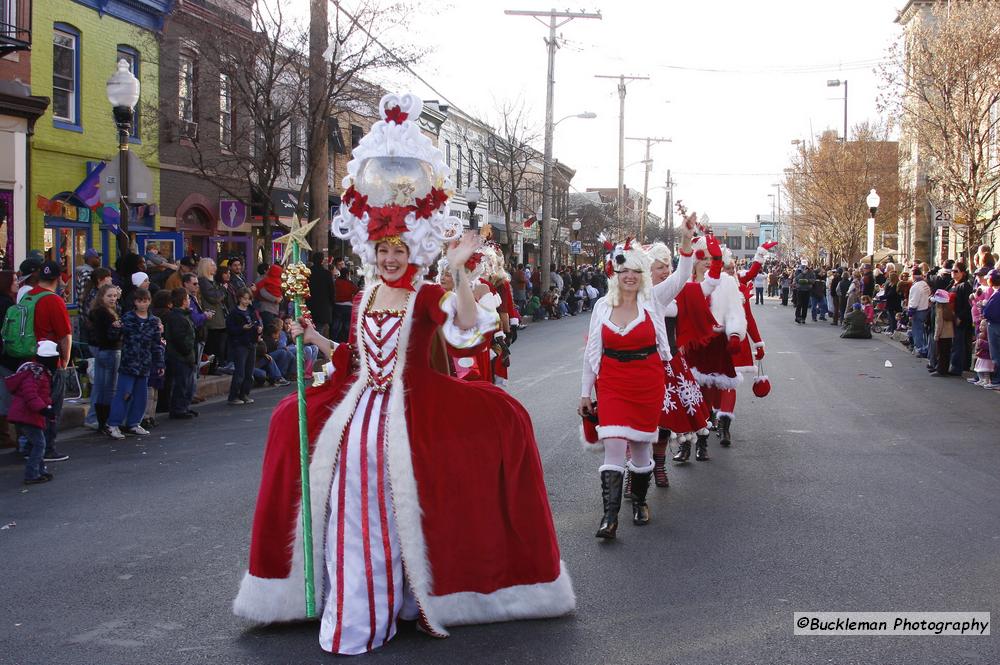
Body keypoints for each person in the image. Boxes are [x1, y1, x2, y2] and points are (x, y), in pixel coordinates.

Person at [234, 98, 572, 653]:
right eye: (383, 250)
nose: (390, 259)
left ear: (410, 249)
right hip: (361, 403)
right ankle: (334, 593)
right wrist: (312, 338)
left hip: (410, 407)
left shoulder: (427, 292)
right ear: (373, 250)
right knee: (291, 426)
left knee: (477, 437)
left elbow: (466, 328)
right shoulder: (367, 292)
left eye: (398, 249)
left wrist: (460, 270)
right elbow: (353, 354)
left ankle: (406, 594)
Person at [580, 228, 694, 538]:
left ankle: (640, 502)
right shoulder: (602, 306)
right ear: (614, 274)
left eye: (635, 271)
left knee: (642, 449)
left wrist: (685, 243)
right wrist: (585, 392)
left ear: (642, 274)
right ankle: (609, 517)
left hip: (647, 382)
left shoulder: (653, 299)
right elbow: (593, 353)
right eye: (623, 271)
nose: (629, 276)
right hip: (613, 382)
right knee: (614, 446)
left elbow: (681, 276)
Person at [643, 242, 714, 474]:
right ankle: (634, 473)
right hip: (644, 364)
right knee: (641, 422)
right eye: (660, 267)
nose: (665, 271)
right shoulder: (640, 295)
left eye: (667, 266)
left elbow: (704, 285)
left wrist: (706, 258)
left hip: (671, 360)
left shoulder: (675, 291)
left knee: (667, 420)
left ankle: (660, 466)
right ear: (647, 270)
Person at [105, 288, 164, 439]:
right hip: (128, 362)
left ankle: (134, 423)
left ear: (149, 302)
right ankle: (113, 424)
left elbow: (157, 344)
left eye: (145, 301)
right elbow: (114, 336)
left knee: (141, 396)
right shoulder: (128, 318)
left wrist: (159, 364)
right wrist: (115, 328)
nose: (142, 304)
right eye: (139, 301)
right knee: (123, 394)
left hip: (145, 363)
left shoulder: (153, 321)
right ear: (135, 302)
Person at [6, 340, 60, 484]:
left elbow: (41, 395)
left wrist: (47, 408)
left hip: (29, 415)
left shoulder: (37, 372)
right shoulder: (36, 373)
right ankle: (32, 474)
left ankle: (40, 471)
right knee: (39, 444)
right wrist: (44, 409)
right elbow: (31, 395)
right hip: (27, 415)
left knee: (35, 444)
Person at [88, 284, 123, 435]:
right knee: (109, 388)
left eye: (115, 296)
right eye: (109, 296)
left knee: (102, 387)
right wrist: (118, 328)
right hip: (110, 351)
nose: (113, 299)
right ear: (102, 297)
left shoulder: (104, 311)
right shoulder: (103, 313)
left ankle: (101, 422)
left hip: (103, 351)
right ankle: (106, 421)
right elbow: (109, 335)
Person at [164, 288, 197, 419]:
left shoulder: (183, 315)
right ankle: (178, 408)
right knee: (181, 384)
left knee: (187, 384)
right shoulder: (177, 317)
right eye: (188, 299)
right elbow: (180, 339)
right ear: (183, 301)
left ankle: (184, 406)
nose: (189, 301)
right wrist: (187, 350)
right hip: (180, 356)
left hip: (185, 355)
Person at [226, 288, 262, 405]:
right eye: (244, 299)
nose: (246, 301)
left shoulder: (251, 311)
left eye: (248, 299)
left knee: (249, 372)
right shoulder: (234, 313)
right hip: (240, 344)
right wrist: (242, 328)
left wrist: (259, 328)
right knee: (240, 372)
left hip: (251, 342)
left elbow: (257, 322)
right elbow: (230, 329)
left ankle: (244, 393)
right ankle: (234, 396)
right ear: (239, 298)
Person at [198, 258, 228, 374]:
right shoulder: (203, 281)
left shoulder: (212, 281)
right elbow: (214, 297)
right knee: (212, 344)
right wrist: (222, 289)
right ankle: (210, 368)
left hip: (218, 316)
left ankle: (215, 366)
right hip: (212, 318)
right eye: (211, 265)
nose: (215, 268)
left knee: (217, 344)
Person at [949, 262, 974, 375]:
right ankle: (956, 365)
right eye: (952, 271)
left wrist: (960, 317)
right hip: (952, 317)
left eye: (956, 271)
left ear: (963, 273)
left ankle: (957, 367)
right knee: (956, 342)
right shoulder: (952, 284)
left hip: (962, 319)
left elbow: (968, 304)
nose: (953, 274)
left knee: (959, 343)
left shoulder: (965, 286)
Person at [306, 252, 335, 338]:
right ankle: (316, 348)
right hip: (323, 307)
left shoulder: (308, 273)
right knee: (319, 330)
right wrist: (332, 303)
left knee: (311, 328)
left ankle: (313, 347)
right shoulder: (327, 274)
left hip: (310, 305)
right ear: (322, 261)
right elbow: (332, 291)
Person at [929, 289, 956, 377]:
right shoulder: (948, 308)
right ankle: (945, 369)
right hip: (949, 334)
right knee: (946, 353)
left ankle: (940, 370)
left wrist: (936, 335)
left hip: (942, 334)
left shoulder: (939, 309)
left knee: (941, 353)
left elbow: (938, 324)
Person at [331, 260, 358, 343]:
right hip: (348, 306)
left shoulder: (336, 282)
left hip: (337, 306)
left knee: (336, 325)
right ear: (347, 274)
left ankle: (334, 340)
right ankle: (346, 342)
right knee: (347, 326)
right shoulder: (350, 283)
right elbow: (357, 290)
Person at [907, 268, 932, 357]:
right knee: (922, 331)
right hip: (925, 309)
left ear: (913, 276)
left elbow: (914, 301)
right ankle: (924, 348)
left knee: (917, 331)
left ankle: (919, 348)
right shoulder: (925, 284)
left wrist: (910, 313)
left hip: (918, 311)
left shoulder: (916, 286)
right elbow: (929, 294)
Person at [252, 264, 283, 333]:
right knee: (269, 328)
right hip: (266, 307)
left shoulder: (276, 279)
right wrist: (275, 299)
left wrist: (280, 298)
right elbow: (263, 293)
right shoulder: (262, 279)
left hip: (275, 308)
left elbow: (280, 290)